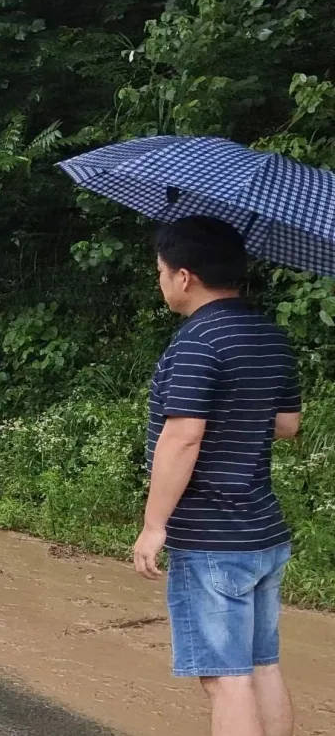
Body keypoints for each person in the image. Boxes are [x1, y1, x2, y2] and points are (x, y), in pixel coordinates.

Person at [134, 216, 301, 736]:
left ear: (184, 276)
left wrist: (154, 525)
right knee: (261, 665)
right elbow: (287, 425)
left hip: (211, 538)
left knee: (225, 680)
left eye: (160, 272)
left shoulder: (197, 341)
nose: (160, 282)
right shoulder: (268, 335)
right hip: (262, 533)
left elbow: (181, 438)